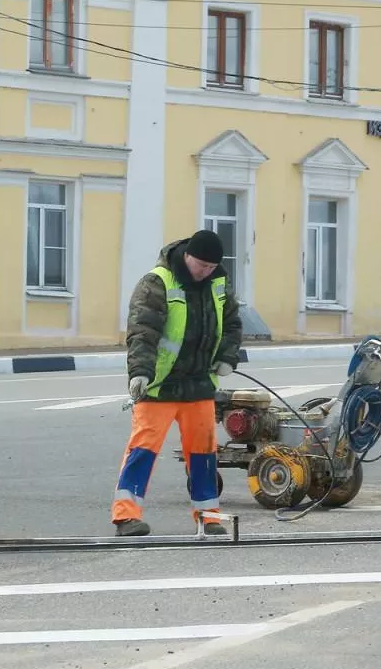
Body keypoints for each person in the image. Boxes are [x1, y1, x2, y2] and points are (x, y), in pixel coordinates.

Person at [111, 229, 243, 537]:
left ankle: (208, 517)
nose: (204, 272)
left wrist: (227, 356)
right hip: (160, 386)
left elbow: (233, 323)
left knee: (203, 454)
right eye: (201, 266)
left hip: (199, 385)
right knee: (142, 449)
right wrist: (140, 373)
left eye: (211, 268)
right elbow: (142, 331)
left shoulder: (218, 282)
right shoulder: (158, 282)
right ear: (187, 256)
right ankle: (126, 516)